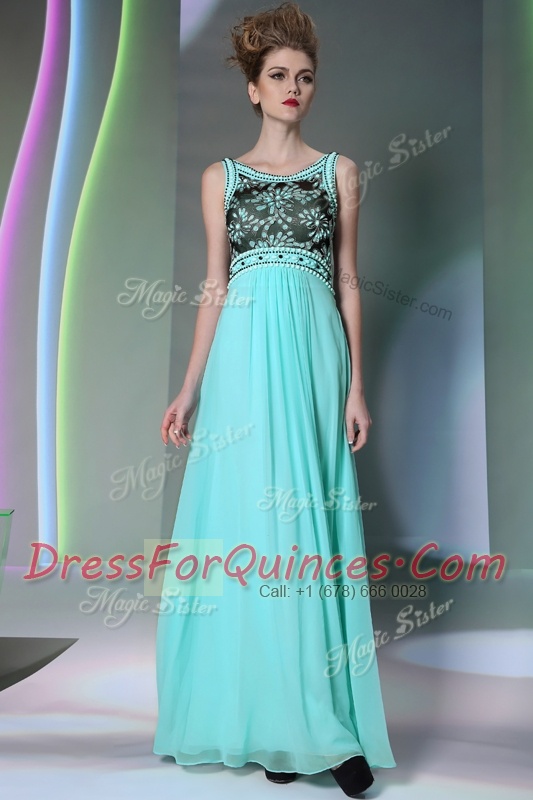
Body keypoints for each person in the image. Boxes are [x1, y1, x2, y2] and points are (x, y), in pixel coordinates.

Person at [153, 3, 396, 796]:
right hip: (241, 360)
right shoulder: (219, 178)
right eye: (279, 76)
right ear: (253, 88)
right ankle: (272, 723)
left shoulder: (340, 173)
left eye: (306, 77)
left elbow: (348, 282)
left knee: (304, 529)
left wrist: (355, 385)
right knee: (249, 528)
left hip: (313, 354)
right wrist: (189, 387)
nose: (294, 87)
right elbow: (213, 286)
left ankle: (313, 726)